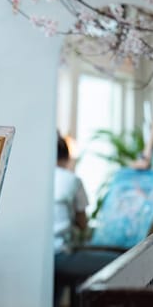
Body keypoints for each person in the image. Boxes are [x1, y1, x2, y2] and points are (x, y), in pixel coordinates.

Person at [53, 132, 120, 307]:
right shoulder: (72, 180)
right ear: (67, 158)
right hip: (60, 255)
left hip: (42, 255)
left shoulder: (38, 179)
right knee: (119, 262)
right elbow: (83, 224)